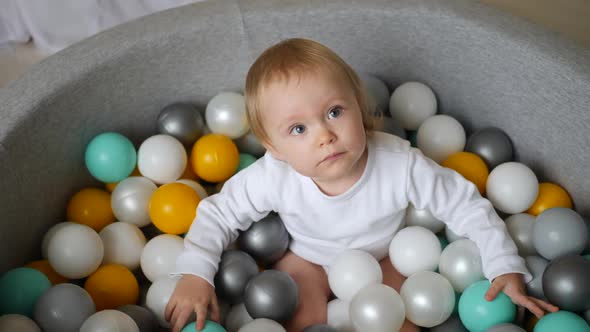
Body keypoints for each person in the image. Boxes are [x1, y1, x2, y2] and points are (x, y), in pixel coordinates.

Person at [165, 38, 558, 332]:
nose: (325, 135)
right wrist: (196, 275)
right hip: (309, 260)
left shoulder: (398, 163)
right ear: (275, 148)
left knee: (401, 319)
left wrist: (503, 265)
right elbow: (218, 212)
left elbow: (465, 204)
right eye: (298, 128)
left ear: (360, 106)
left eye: (334, 111)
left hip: (387, 256)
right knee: (302, 315)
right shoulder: (274, 175)